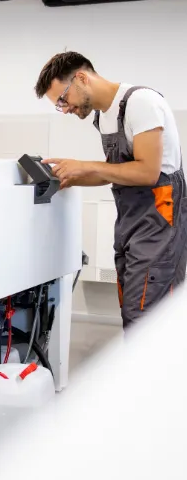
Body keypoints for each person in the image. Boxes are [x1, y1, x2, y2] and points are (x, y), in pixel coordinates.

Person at [33, 51, 187, 329]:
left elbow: (148, 172)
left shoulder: (141, 103)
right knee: (132, 310)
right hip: (131, 223)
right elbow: (116, 171)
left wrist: (87, 165)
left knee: (147, 321)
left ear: (81, 78)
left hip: (159, 223)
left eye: (63, 99)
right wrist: (72, 177)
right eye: (59, 105)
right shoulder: (104, 116)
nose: (65, 109)